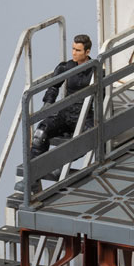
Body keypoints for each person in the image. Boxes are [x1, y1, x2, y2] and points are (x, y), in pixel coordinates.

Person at [17, 35, 96, 193]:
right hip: (66, 112)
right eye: (73, 49)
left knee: (88, 137)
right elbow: (53, 87)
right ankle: (31, 177)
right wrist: (48, 104)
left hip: (85, 114)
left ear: (87, 52)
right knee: (41, 132)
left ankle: (58, 164)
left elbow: (102, 94)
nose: (74, 53)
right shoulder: (66, 67)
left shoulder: (95, 70)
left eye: (78, 50)